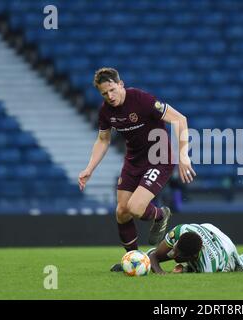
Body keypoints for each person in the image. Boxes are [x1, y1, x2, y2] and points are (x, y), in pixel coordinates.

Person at [78, 68, 196, 271]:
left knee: (134, 207)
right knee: (122, 212)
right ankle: (133, 259)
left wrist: (183, 155)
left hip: (159, 159)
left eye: (113, 90)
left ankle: (160, 215)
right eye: (104, 93)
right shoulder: (106, 111)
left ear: (121, 84)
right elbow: (103, 140)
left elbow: (180, 119)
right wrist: (90, 168)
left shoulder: (142, 100)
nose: (110, 96)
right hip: (133, 162)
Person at [149, 223, 243, 274]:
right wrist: (160, 270)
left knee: (241, 266)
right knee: (162, 254)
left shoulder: (210, 266)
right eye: (175, 248)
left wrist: (183, 269)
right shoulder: (181, 230)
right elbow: (154, 256)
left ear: (193, 257)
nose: (173, 253)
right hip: (206, 229)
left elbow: (189, 268)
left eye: (178, 254)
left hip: (225, 246)